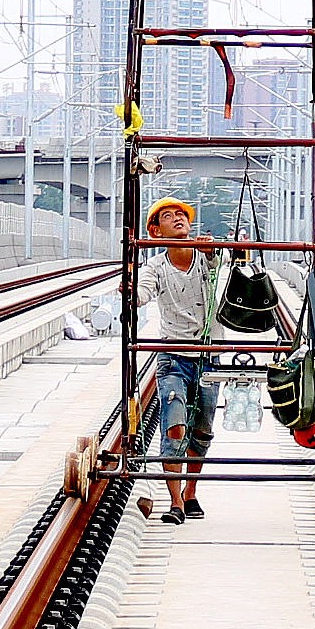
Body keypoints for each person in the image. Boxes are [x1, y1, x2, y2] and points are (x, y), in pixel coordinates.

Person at [137, 195, 223, 522]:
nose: (177, 219)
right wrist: (132, 293)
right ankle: (174, 502)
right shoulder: (155, 267)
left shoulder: (205, 257)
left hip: (207, 356)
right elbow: (144, 291)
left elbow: (220, 265)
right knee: (174, 427)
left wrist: (214, 251)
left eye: (181, 215)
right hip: (172, 357)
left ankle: (191, 493)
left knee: (201, 430)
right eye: (168, 216)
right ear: (155, 231)